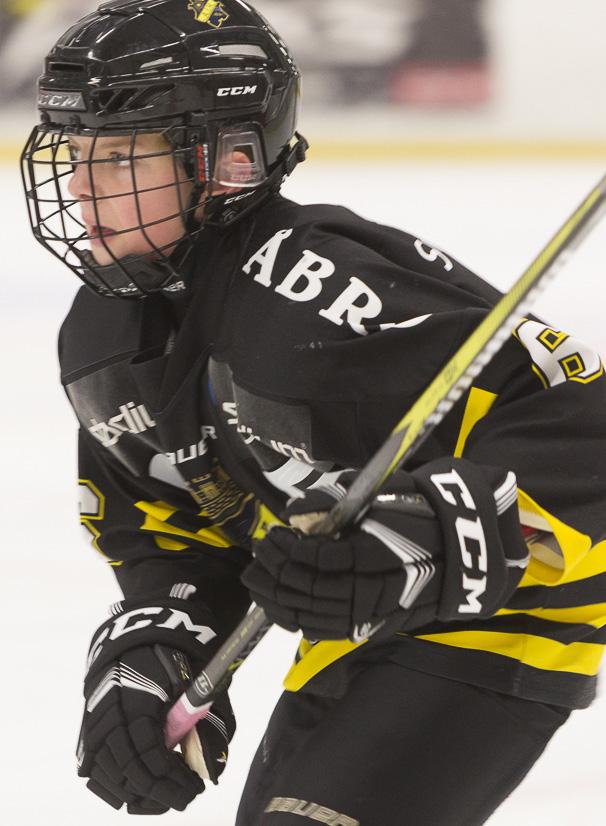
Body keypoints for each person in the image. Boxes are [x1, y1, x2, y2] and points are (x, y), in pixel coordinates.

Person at [21, 1, 606, 823]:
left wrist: (426, 537)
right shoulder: (106, 333)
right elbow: (171, 527)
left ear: (224, 161)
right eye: (76, 153)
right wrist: (158, 645)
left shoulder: (315, 293)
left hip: (500, 617)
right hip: (351, 625)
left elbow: (583, 421)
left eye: (117, 157)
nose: (78, 184)